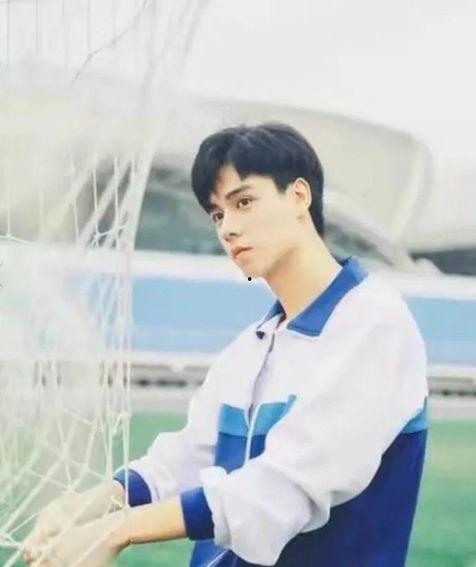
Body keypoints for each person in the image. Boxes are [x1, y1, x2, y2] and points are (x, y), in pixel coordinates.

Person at [24, 123, 429, 567]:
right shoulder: (250, 348)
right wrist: (93, 503)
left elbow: (284, 488)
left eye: (244, 202)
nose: (228, 228)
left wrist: (119, 529)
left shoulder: (374, 323)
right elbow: (190, 458)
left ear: (299, 196)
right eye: (218, 214)